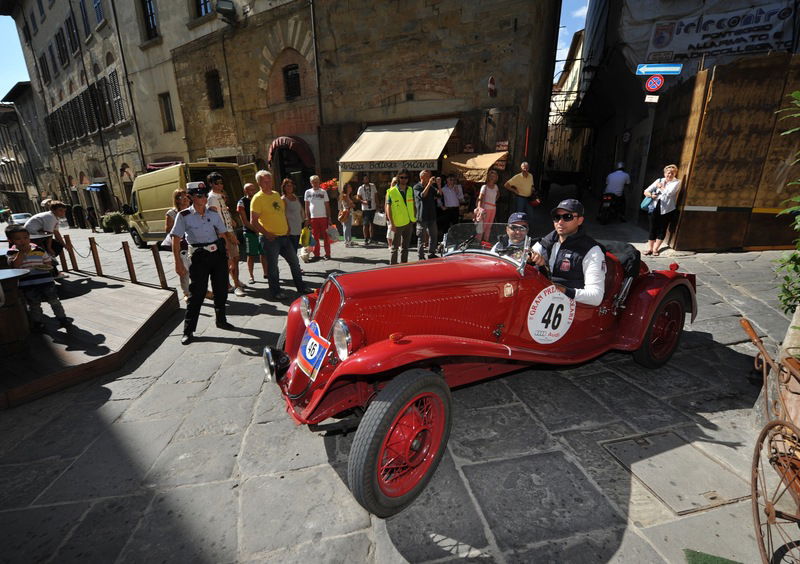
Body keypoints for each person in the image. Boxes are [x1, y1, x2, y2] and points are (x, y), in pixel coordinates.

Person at [170, 182, 233, 345]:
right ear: (190, 197)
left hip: (218, 255)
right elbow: (175, 240)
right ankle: (188, 330)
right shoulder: (183, 216)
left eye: (205, 195)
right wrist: (177, 263)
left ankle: (221, 320)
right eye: (199, 195)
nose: (204, 198)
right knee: (197, 294)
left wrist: (227, 253)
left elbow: (223, 233)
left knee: (221, 289)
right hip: (199, 257)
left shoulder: (213, 213)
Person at [529, 198, 606, 307]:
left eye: (567, 217)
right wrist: (530, 257)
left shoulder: (592, 251)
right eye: (557, 217)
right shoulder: (549, 239)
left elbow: (596, 297)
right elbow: (529, 254)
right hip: (542, 300)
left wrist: (560, 290)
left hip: (571, 308)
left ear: (580, 220)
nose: (560, 222)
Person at [251, 170, 309, 300]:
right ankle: (275, 292)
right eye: (265, 181)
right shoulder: (257, 198)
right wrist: (266, 234)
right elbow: (253, 221)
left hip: (284, 236)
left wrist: (287, 226)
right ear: (259, 183)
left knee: (294, 262)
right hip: (270, 239)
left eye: (269, 180)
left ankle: (301, 287)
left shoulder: (276, 194)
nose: (268, 183)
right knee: (273, 267)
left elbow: (282, 213)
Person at [5, 224, 70, 331]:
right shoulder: (12, 252)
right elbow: (15, 266)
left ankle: (62, 318)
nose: (23, 241)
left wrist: (48, 266)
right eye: (18, 239)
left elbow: (47, 261)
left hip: (46, 281)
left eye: (25, 237)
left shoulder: (38, 249)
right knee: (34, 304)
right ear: (11, 240)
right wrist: (21, 252)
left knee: (54, 301)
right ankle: (38, 322)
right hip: (27, 284)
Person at [206, 172, 244, 297]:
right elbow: (215, 219)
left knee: (235, 258)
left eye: (221, 182)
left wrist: (231, 220)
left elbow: (223, 212)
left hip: (228, 229)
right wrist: (228, 235)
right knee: (230, 259)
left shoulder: (220, 196)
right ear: (211, 184)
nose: (220, 185)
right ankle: (232, 286)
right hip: (223, 233)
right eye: (217, 183)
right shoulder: (212, 198)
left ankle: (235, 281)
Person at [643, 164, 681, 256]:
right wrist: (651, 195)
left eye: (672, 173)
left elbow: (669, 193)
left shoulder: (677, 182)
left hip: (667, 209)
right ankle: (650, 248)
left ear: (675, 174)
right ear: (664, 173)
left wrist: (660, 187)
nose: (670, 175)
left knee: (662, 229)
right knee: (652, 228)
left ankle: (656, 249)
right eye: (668, 173)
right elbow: (646, 191)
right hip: (654, 207)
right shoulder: (659, 180)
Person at [237, 182, 268, 284]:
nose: (253, 191)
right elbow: (244, 221)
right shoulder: (241, 202)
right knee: (250, 255)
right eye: (250, 189)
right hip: (249, 232)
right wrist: (256, 230)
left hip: (261, 230)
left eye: (254, 189)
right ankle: (251, 276)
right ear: (245, 191)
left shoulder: (258, 199)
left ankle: (266, 273)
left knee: (263, 253)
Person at [163, 188, 191, 299]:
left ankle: (199, 289)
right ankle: (186, 292)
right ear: (177, 200)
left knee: (197, 269)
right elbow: (167, 229)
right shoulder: (171, 213)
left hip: (193, 241)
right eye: (181, 197)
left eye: (186, 197)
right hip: (180, 244)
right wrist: (179, 223)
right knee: (184, 269)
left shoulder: (192, 210)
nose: (185, 199)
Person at [385, 168, 416, 264]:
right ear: (398, 178)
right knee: (394, 247)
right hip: (397, 223)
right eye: (401, 177)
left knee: (405, 247)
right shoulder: (391, 191)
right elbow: (388, 208)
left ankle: (404, 265)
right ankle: (393, 266)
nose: (404, 179)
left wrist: (414, 216)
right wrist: (392, 223)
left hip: (409, 222)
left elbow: (413, 204)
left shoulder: (410, 190)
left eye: (406, 177)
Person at [413, 170, 440, 260]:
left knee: (433, 235)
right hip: (422, 216)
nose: (429, 177)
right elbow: (423, 195)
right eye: (427, 176)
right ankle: (420, 256)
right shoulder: (417, 187)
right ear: (422, 177)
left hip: (431, 215)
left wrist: (439, 185)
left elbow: (439, 195)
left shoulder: (431, 187)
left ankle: (431, 253)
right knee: (421, 237)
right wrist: (429, 184)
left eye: (429, 176)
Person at [304, 175, 332, 261]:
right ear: (311, 183)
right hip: (313, 218)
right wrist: (307, 218)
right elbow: (306, 206)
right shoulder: (307, 192)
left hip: (323, 217)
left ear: (319, 182)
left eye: (317, 181)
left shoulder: (323, 192)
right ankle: (316, 254)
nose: (315, 183)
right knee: (315, 237)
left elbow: (327, 206)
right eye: (313, 182)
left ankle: (327, 254)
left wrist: (329, 217)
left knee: (326, 237)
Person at [476, 169, 500, 240]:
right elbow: (480, 198)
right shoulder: (484, 187)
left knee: (489, 226)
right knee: (482, 226)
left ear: (496, 177)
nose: (492, 177)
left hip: (493, 208)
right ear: (488, 177)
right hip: (485, 209)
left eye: (494, 176)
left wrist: (494, 201)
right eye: (491, 176)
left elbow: (498, 194)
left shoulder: (496, 187)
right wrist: (479, 208)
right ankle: (478, 242)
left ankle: (485, 242)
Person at [356, 174, 378, 246]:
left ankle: (372, 238)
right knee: (365, 224)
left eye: (367, 178)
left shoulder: (373, 186)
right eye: (365, 179)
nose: (366, 180)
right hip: (365, 208)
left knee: (372, 224)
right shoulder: (361, 188)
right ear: (363, 180)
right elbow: (358, 197)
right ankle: (365, 238)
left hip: (373, 207)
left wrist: (378, 205)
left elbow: (376, 195)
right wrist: (363, 201)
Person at [339, 182, 355, 247]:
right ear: (346, 188)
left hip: (349, 212)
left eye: (350, 187)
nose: (350, 188)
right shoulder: (345, 195)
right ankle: (346, 241)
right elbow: (350, 204)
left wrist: (352, 205)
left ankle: (349, 240)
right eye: (349, 187)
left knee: (348, 227)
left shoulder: (348, 195)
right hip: (346, 212)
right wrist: (353, 204)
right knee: (346, 227)